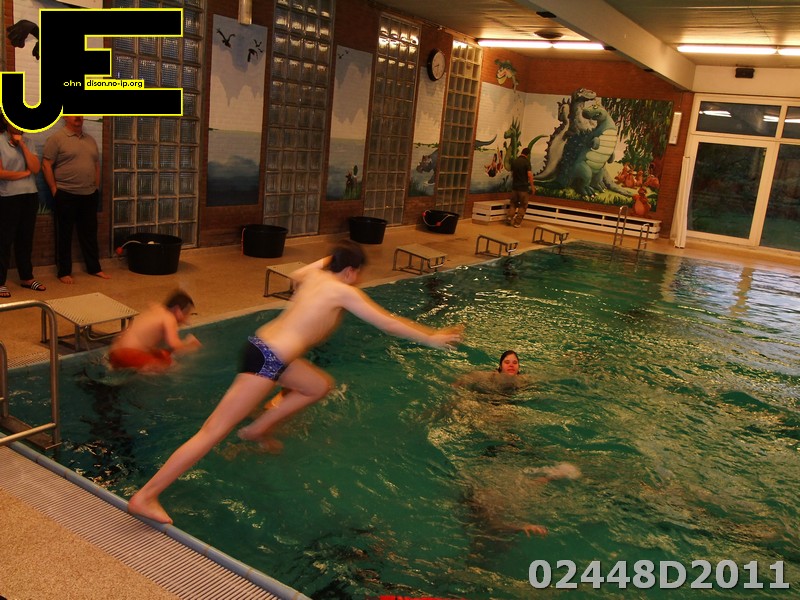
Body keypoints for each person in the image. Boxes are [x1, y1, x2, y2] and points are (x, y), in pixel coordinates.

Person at [128, 240, 463, 524]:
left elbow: (297, 275)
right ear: (350, 271)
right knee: (212, 431)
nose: (358, 280)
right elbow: (387, 323)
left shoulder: (314, 276)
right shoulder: (341, 290)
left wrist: (335, 257)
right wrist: (431, 337)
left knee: (317, 386)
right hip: (270, 359)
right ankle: (146, 496)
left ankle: (257, 430)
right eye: (358, 273)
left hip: (266, 350)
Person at [41, 116, 110, 284]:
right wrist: (54, 189)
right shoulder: (57, 138)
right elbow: (46, 165)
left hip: (89, 194)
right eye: (73, 113)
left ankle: (95, 268)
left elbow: (96, 164)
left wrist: (96, 187)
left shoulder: (90, 140)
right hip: (66, 194)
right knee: (64, 234)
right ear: (65, 117)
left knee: (90, 233)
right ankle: (64, 271)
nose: (78, 116)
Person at [0, 118, 44, 298]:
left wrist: (22, 145)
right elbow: (1, 173)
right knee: (4, 241)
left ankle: (27, 277)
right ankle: (0, 282)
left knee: (25, 239)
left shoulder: (29, 142)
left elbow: (35, 168)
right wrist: (24, 173)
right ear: (6, 120)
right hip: (7, 197)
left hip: (30, 195)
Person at [108, 290, 201, 372]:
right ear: (177, 309)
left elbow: (160, 347)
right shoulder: (169, 317)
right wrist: (190, 345)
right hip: (128, 355)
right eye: (186, 313)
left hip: (114, 354)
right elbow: (174, 344)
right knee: (169, 365)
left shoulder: (158, 310)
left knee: (163, 354)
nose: (185, 319)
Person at [454, 350, 529, 395]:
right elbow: (469, 377)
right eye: (507, 362)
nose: (511, 365)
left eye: (515, 363)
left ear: (518, 367)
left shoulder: (524, 380)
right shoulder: (491, 376)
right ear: (500, 366)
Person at [508, 147, 534, 228]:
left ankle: (509, 217)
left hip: (514, 187)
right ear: (528, 154)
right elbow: (529, 175)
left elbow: (512, 173)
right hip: (523, 188)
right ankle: (517, 222)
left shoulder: (515, 161)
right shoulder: (526, 162)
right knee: (523, 205)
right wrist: (532, 186)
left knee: (513, 203)